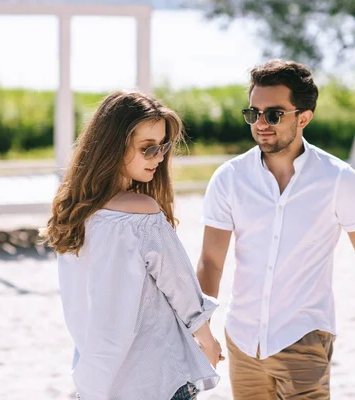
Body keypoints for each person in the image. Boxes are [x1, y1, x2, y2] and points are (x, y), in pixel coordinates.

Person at [196, 59, 355, 399]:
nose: (261, 123)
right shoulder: (229, 179)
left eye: (274, 114)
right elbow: (211, 261)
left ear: (303, 117)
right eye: (254, 113)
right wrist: (200, 330)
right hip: (242, 340)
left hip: (304, 338)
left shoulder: (339, 180)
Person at [41, 90, 222, 400]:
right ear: (113, 147)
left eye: (163, 146)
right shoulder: (141, 212)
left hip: (96, 376)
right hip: (156, 376)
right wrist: (207, 339)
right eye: (147, 149)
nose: (160, 157)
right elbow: (180, 286)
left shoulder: (73, 213)